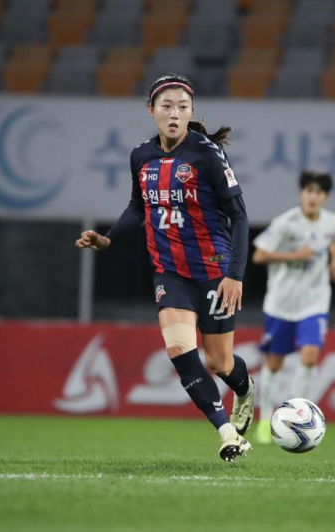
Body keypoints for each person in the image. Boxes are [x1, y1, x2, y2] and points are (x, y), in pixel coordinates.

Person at [75, 74, 256, 462]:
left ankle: (244, 388)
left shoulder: (206, 154)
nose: (175, 114)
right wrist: (108, 239)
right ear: (151, 111)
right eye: (167, 106)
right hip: (169, 272)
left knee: (220, 363)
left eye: (183, 107)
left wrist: (235, 275)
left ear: (191, 113)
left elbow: (239, 216)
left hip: (213, 270)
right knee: (179, 350)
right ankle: (227, 434)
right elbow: (138, 207)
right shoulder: (140, 155)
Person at [251, 171, 335, 444]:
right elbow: (259, 255)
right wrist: (293, 255)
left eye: (318, 192)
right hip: (281, 303)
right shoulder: (285, 223)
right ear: (301, 194)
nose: (312, 197)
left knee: (310, 357)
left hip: (314, 302)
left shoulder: (331, 222)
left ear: (325, 197)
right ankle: (267, 417)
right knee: (274, 363)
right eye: (308, 191)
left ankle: (296, 414)